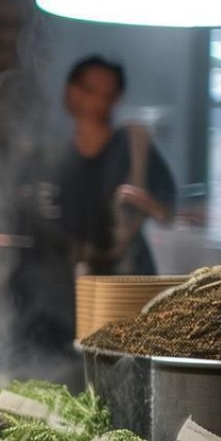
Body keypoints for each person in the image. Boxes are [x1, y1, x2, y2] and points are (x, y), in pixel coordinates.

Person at [55, 55, 176, 276]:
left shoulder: (134, 145)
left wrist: (145, 202)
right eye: (90, 90)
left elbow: (168, 213)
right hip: (68, 278)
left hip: (130, 274)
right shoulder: (54, 153)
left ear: (117, 97)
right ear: (71, 92)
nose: (98, 101)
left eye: (107, 93)